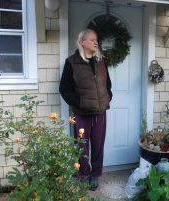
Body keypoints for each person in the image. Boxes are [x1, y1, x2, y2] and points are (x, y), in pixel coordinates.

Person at [59, 29, 112, 190]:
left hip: (100, 113)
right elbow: (64, 89)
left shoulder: (100, 61)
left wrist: (107, 97)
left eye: (97, 40)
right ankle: (83, 175)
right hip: (82, 113)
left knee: (98, 145)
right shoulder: (71, 63)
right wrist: (79, 103)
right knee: (81, 145)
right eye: (92, 40)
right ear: (82, 42)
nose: (96, 42)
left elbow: (107, 84)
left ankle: (95, 174)